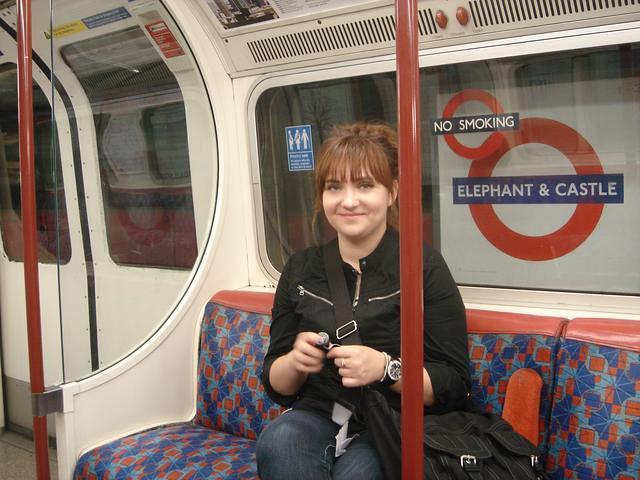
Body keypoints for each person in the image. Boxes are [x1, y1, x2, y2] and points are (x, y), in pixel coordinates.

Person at [256, 122, 470, 480]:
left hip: (396, 418)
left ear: (392, 192)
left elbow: (455, 383)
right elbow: (276, 383)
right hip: (322, 412)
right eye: (334, 187)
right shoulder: (300, 269)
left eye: (365, 185)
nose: (349, 200)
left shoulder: (423, 267)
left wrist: (386, 368)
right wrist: (295, 361)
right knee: (279, 440)